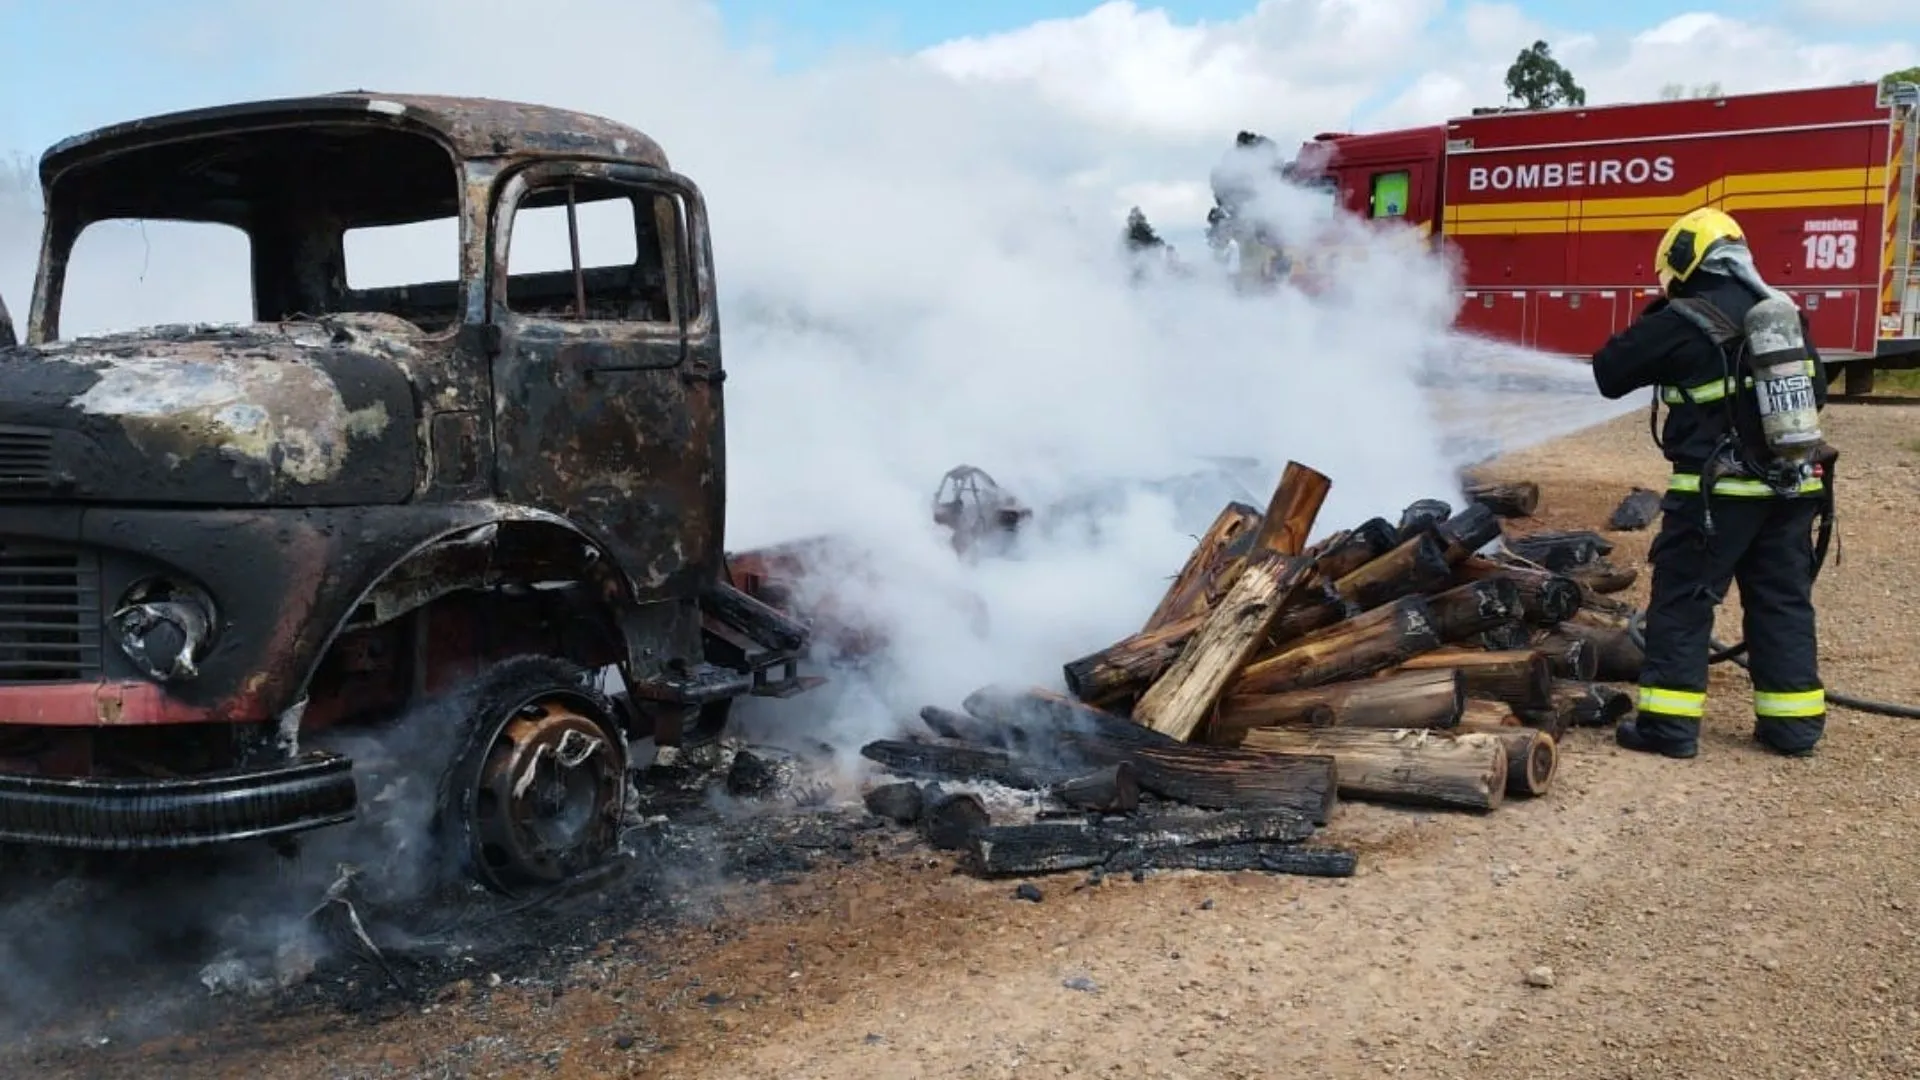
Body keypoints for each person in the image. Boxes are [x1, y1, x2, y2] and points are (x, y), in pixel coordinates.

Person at [1589, 206, 1834, 759]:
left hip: (1716, 497)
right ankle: (1793, 728)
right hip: (1791, 490)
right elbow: (1816, 392)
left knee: (1684, 601)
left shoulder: (1683, 318)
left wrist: (1660, 319)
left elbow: (1608, 372)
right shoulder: (1781, 315)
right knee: (1782, 603)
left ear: (1681, 260)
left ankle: (1668, 727)